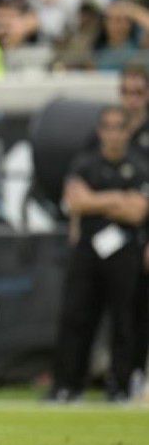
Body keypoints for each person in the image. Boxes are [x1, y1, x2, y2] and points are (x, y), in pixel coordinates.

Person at [49, 107, 149, 403]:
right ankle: (67, 386)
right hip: (88, 249)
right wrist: (118, 198)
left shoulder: (140, 165)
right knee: (76, 316)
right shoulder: (85, 162)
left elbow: (138, 211)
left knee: (124, 320)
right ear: (100, 131)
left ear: (126, 132)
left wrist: (95, 199)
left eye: (119, 127)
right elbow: (75, 202)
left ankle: (120, 386)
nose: (113, 133)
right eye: (108, 127)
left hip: (126, 252)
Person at [121, 66, 149, 398]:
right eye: (126, 92)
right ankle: (127, 379)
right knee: (126, 313)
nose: (131, 100)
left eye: (137, 92)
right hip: (118, 240)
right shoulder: (108, 128)